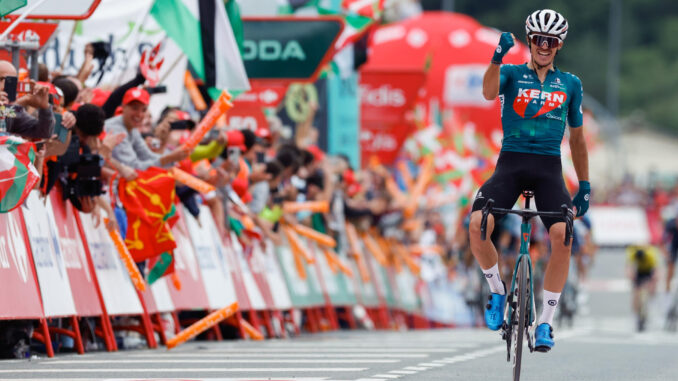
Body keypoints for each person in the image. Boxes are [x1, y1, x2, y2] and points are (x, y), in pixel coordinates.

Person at [470, 9, 590, 352]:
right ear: (530, 40)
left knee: (562, 234)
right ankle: (496, 291)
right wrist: (496, 57)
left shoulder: (570, 84)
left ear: (559, 45)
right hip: (511, 163)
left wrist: (584, 184)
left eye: (551, 41)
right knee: (478, 224)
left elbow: (578, 141)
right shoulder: (510, 73)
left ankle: (546, 323)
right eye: (538, 39)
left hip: (549, 168)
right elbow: (489, 93)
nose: (544, 46)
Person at [104, 87, 188, 170]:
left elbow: (147, 155)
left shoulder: (132, 128)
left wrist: (172, 157)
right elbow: (133, 166)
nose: (139, 114)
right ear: (123, 107)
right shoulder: (115, 129)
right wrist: (169, 158)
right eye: (135, 108)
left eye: (143, 110)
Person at [0, 60, 54, 139]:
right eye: (1, 79)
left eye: (11, 82)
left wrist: (44, 108)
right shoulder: (9, 109)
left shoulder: (9, 110)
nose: (4, 86)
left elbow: (43, 133)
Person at [626, 245, 658, 331]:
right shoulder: (632, 252)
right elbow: (629, 267)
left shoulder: (651, 255)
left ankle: (647, 309)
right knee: (636, 293)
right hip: (638, 271)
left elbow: (655, 272)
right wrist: (630, 276)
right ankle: (635, 314)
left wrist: (653, 286)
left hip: (648, 271)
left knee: (649, 289)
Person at [663, 215, 678, 293]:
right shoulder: (670, 225)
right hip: (673, 246)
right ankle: (667, 289)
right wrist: (666, 253)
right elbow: (663, 240)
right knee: (670, 268)